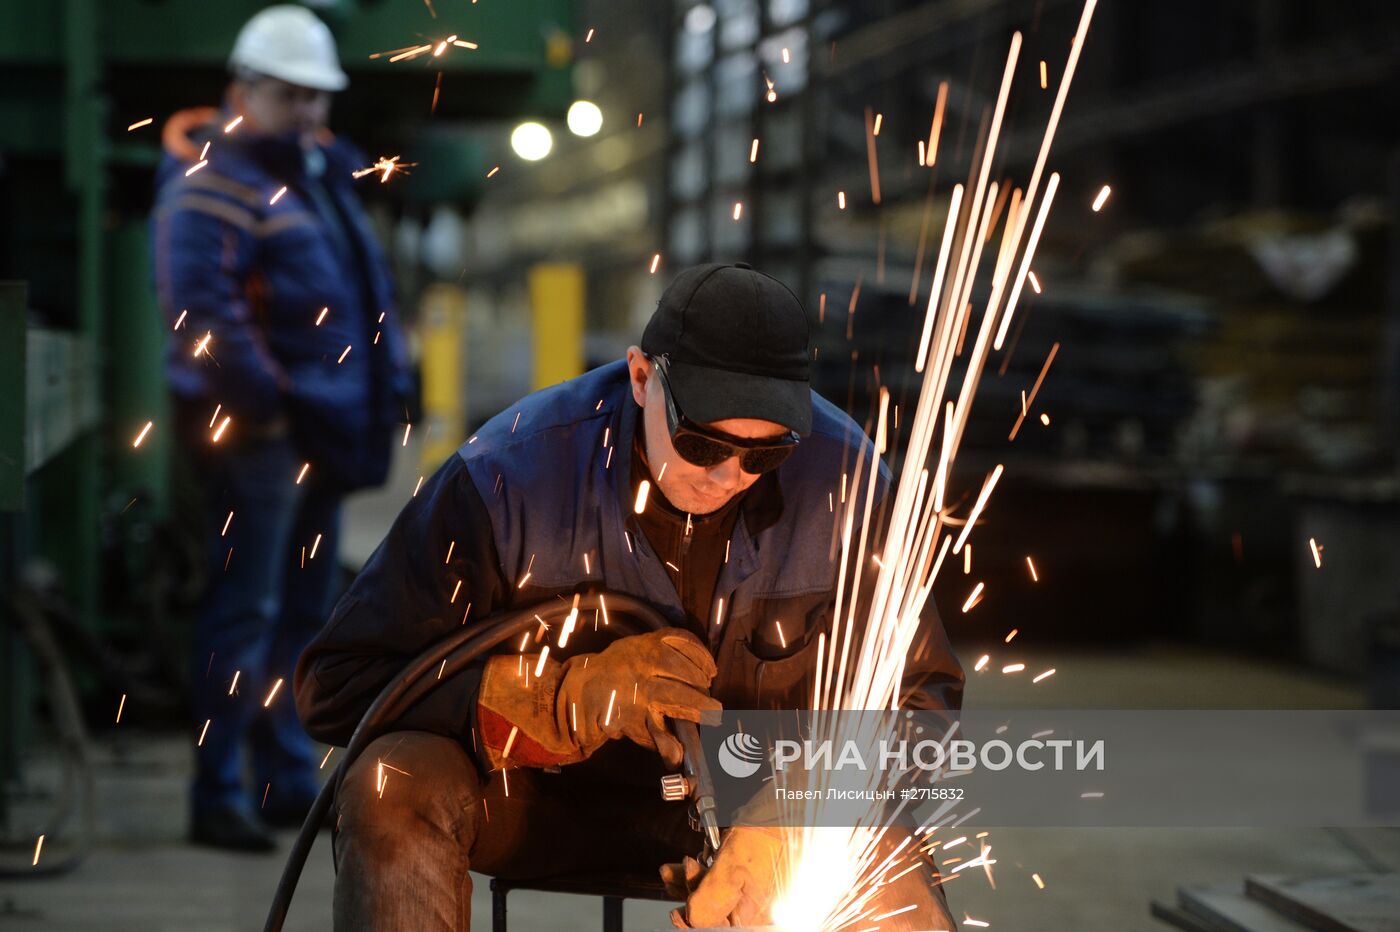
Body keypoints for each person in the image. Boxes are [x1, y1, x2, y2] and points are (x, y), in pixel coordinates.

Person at [295, 263, 963, 928]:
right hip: (543, 804)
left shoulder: (846, 483)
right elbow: (337, 684)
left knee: (884, 863)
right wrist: (558, 699)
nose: (728, 476)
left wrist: (803, 805)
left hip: (757, 818)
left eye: (764, 455)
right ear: (642, 377)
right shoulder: (509, 477)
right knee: (393, 785)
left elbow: (923, 710)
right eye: (702, 443)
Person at [152, 5, 412, 851]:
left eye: (316, 96)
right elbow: (202, 310)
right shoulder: (211, 180)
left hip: (313, 433)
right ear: (244, 88)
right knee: (248, 614)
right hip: (264, 441)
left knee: (303, 616)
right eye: (291, 94)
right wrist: (266, 408)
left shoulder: (316, 176)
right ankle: (217, 790)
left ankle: (284, 779)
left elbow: (356, 298)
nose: (307, 111)